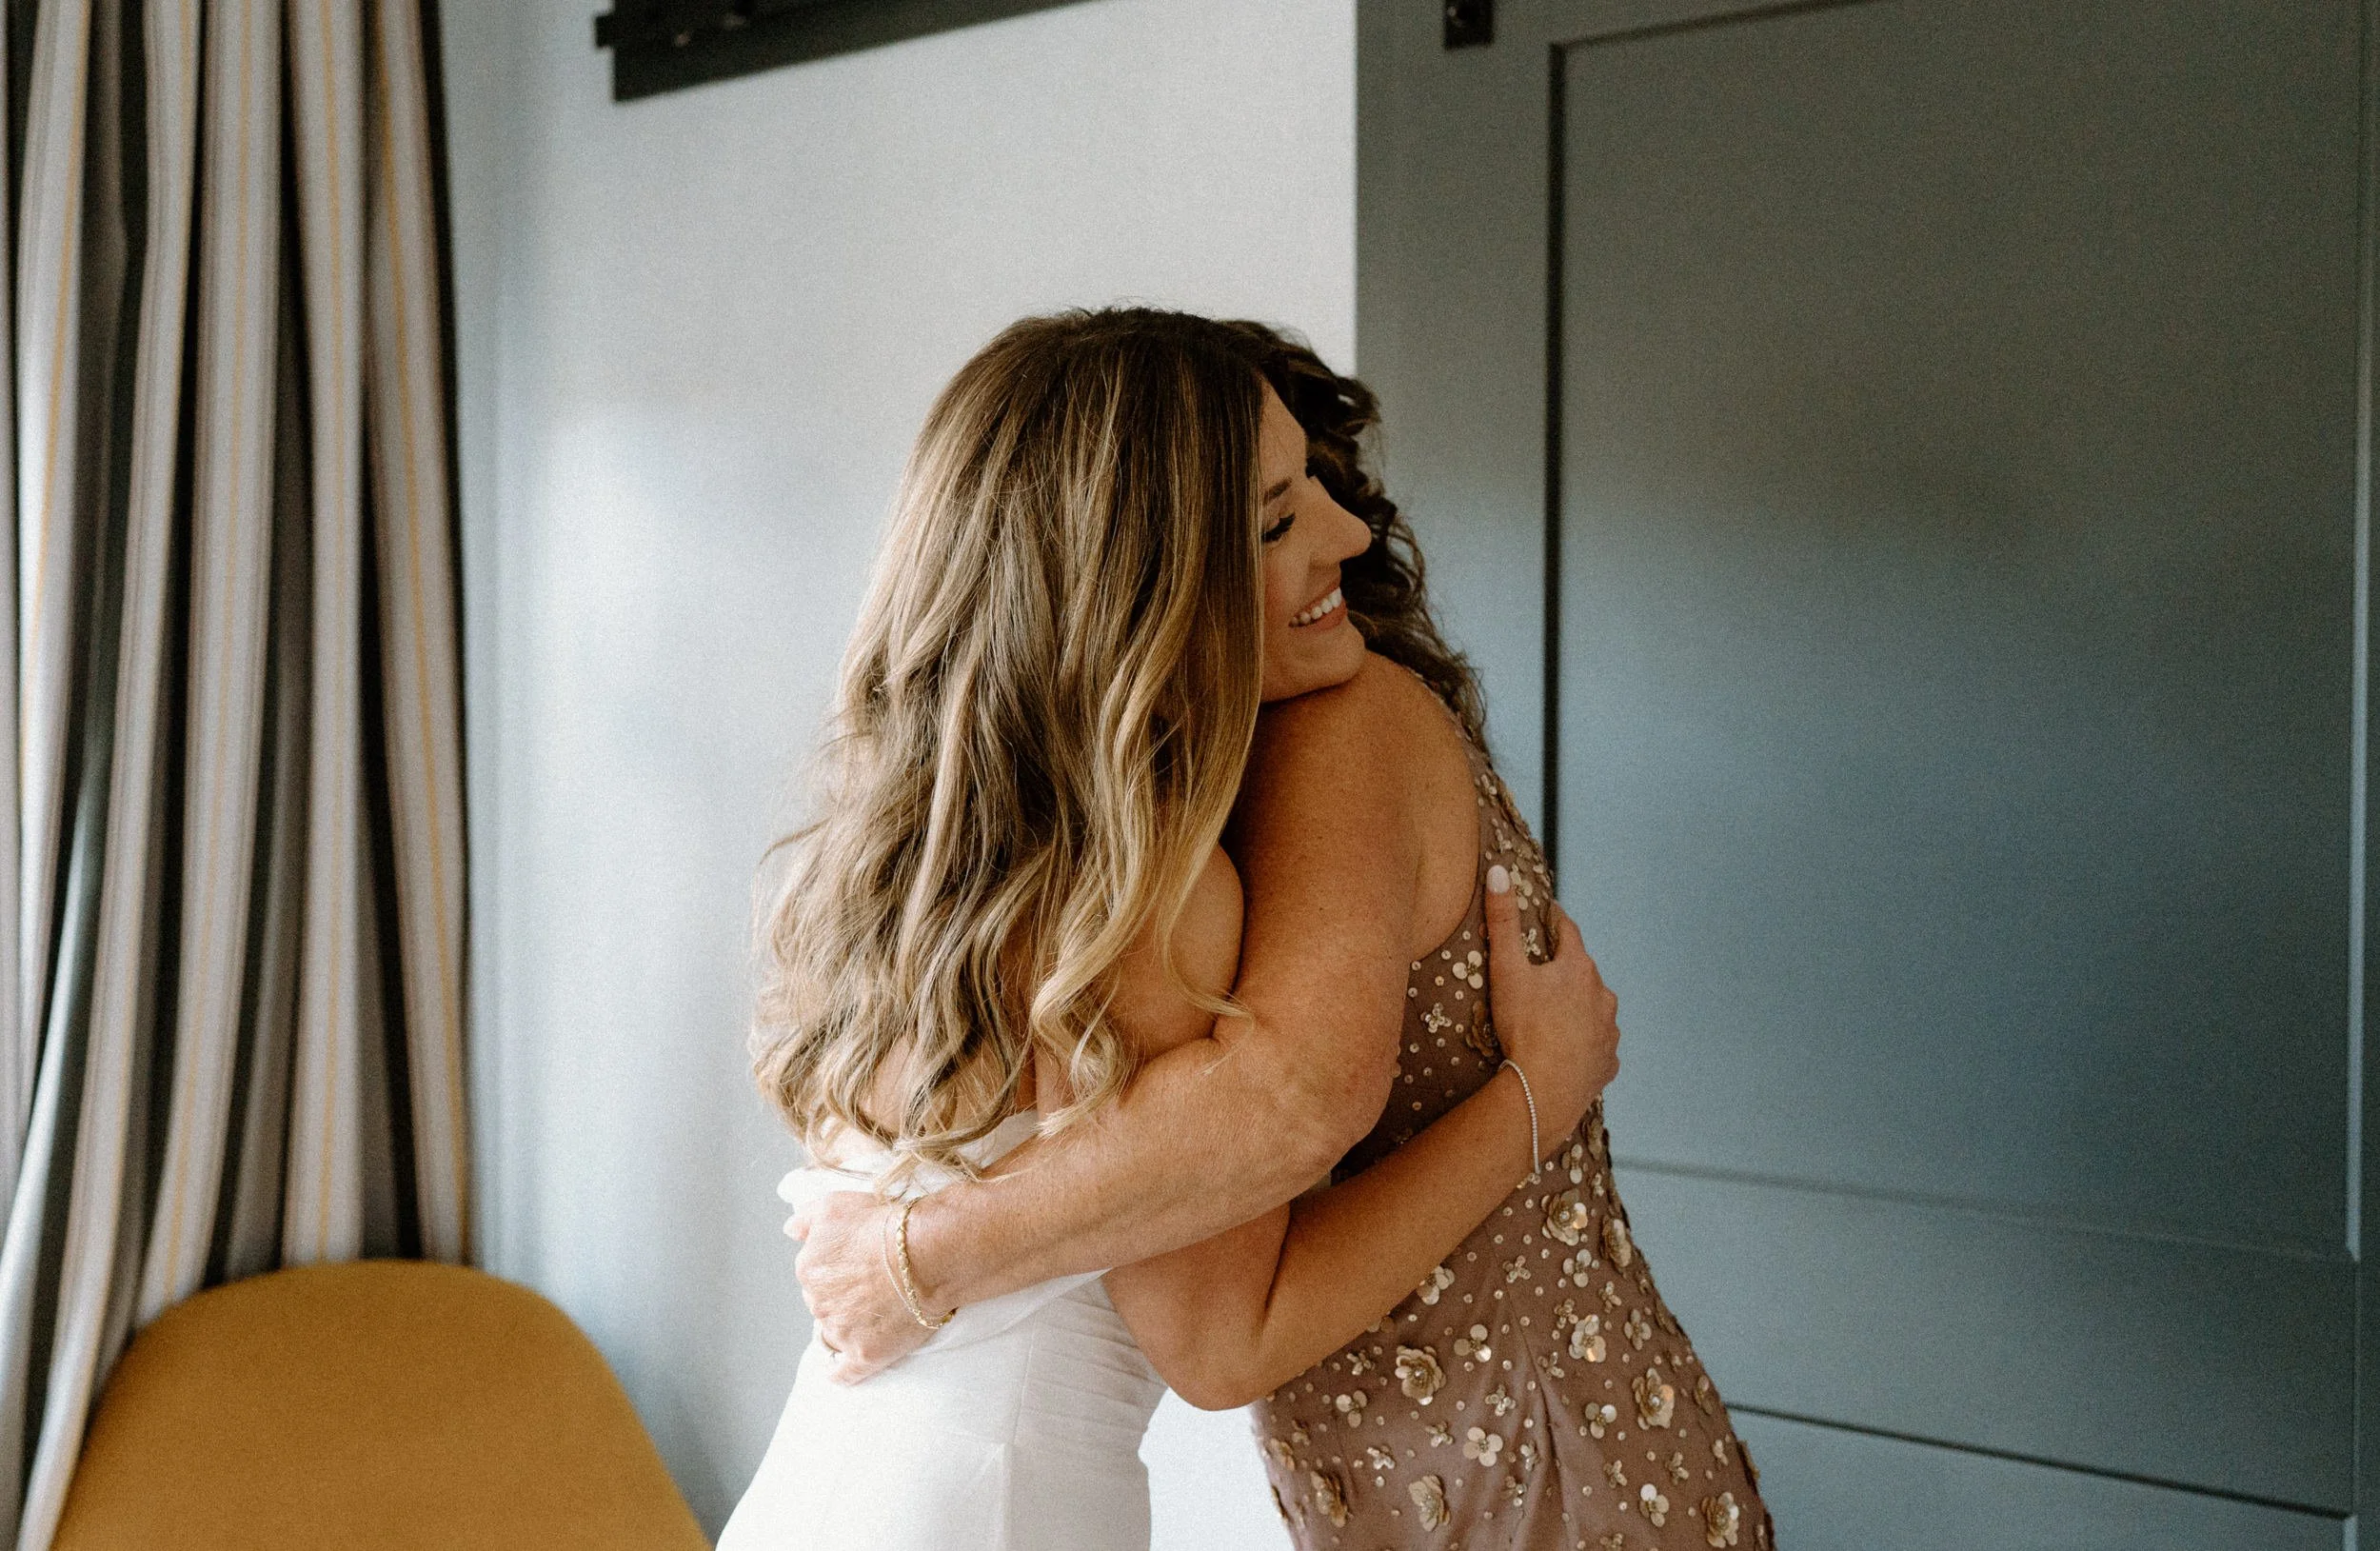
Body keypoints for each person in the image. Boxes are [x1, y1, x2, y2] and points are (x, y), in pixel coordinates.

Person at [733, 308, 1774, 1550]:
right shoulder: (1139, 891)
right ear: (1132, 581)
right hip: (1011, 1501)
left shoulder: (940, 848)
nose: (1349, 532)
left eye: (1318, 488)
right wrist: (1538, 1092)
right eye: (1277, 518)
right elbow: (1263, 1209)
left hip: (846, 1484)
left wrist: (919, 1253)